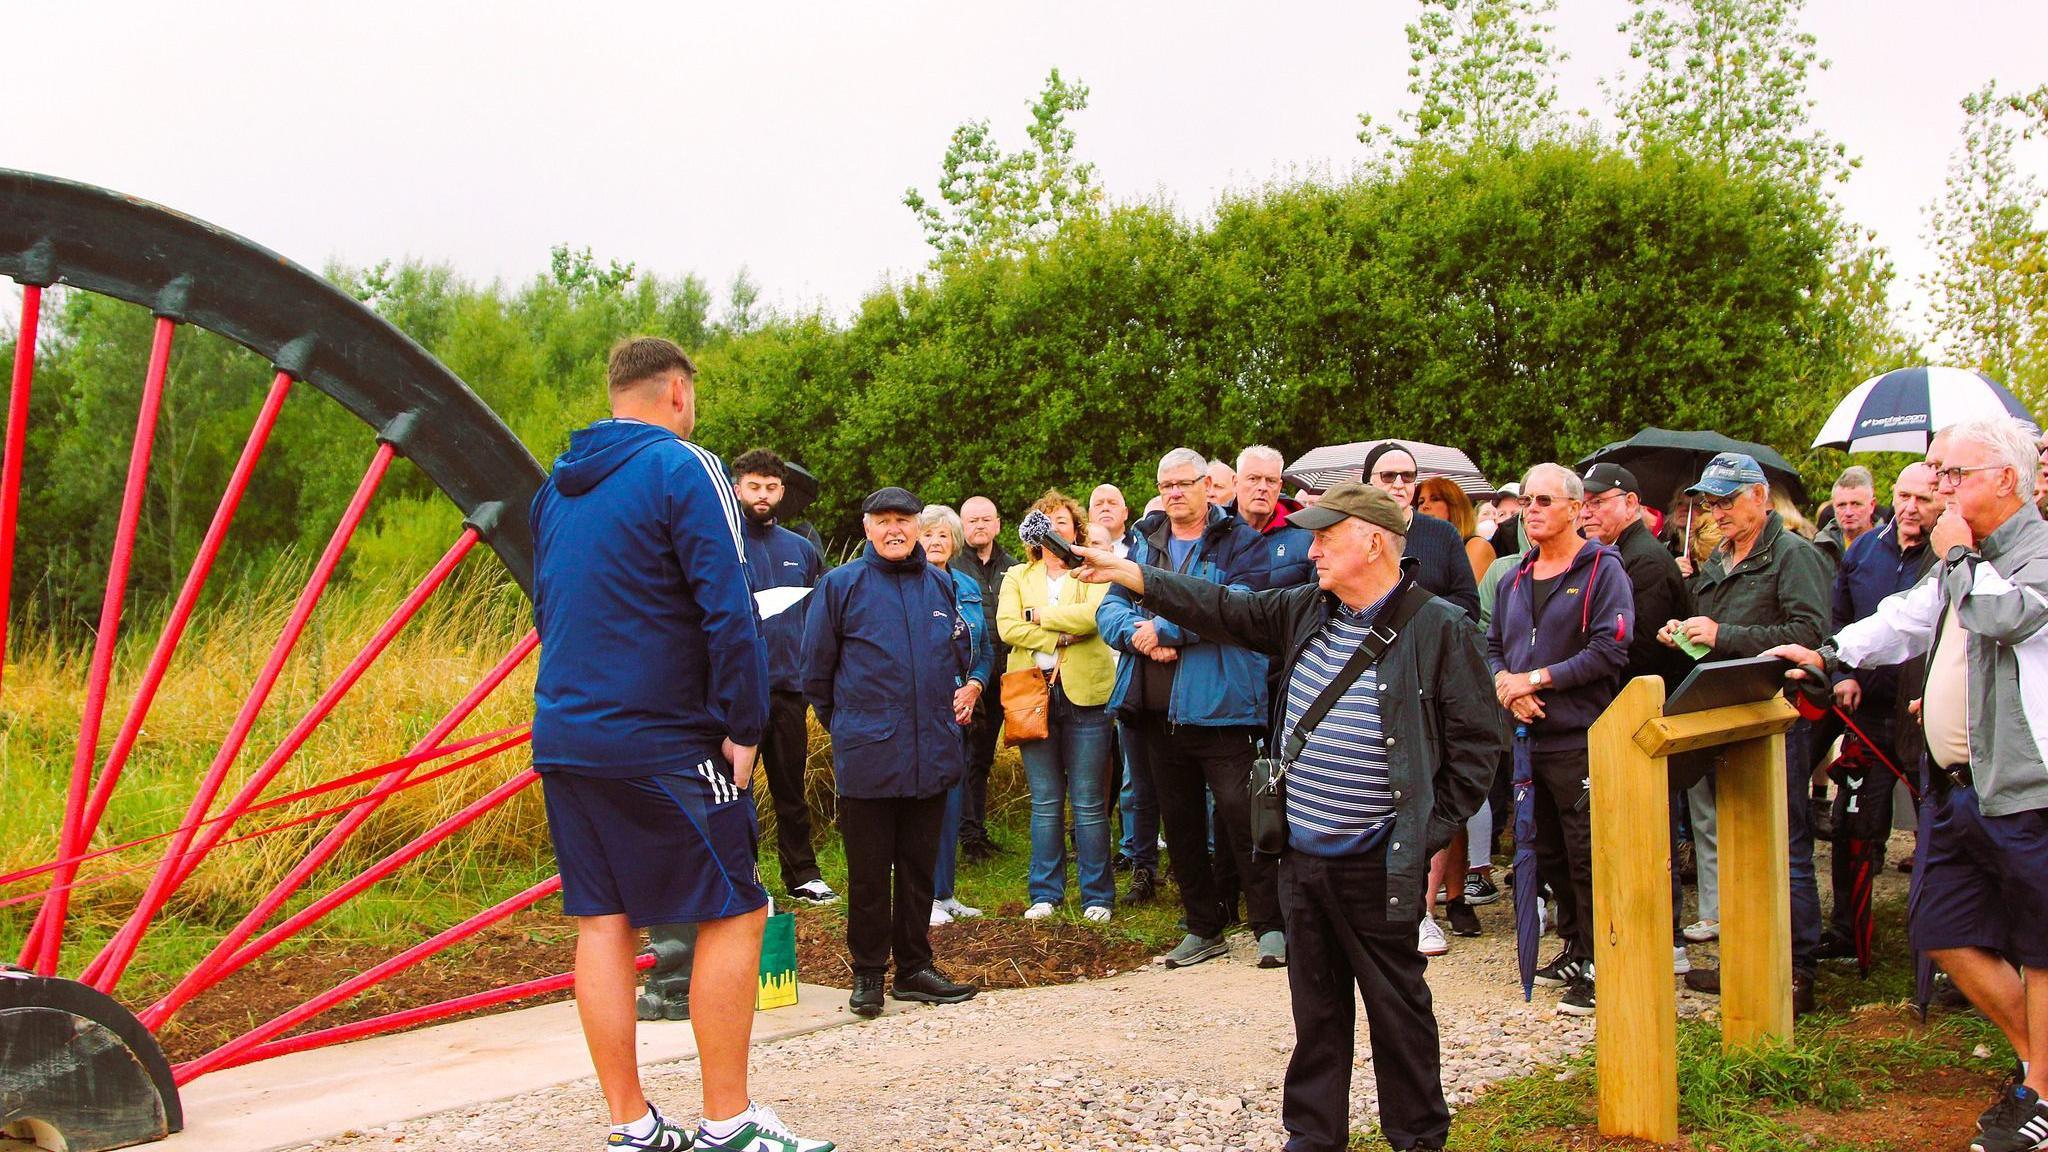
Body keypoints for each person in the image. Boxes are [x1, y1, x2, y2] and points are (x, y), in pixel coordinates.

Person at [1070, 482, 1503, 1152]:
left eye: (1329, 535)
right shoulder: (1307, 608)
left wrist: (1420, 831)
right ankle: (1312, 1138)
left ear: (1375, 541)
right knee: (1317, 1014)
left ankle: (1417, 1139)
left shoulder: (1440, 628)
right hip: (1301, 856)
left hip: (1378, 861)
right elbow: (1220, 607)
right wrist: (1129, 572)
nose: (1314, 546)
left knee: (1398, 1013)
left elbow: (1478, 747)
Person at [529, 337, 829, 1152]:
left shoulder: (554, 490)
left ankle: (631, 1125)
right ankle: (728, 1123)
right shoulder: (686, 467)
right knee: (737, 909)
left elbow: (547, 613)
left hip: (565, 733)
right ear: (675, 391)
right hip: (662, 738)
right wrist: (743, 724)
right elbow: (729, 606)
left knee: (603, 923)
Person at [1767, 416, 2048, 1152]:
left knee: (2041, 946)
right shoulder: (1966, 559)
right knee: (1942, 928)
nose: (1940, 491)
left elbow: (2000, 617)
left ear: (2006, 482)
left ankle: (2042, 1094)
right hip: (1956, 788)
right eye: (1937, 475)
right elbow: (1908, 618)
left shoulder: (2032, 554)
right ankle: (2040, 1065)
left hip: (2027, 789)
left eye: (1953, 475)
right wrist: (1830, 651)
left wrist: (1955, 558)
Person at [1098, 447, 1284, 969]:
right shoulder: (1144, 542)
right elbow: (1110, 606)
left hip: (1222, 708)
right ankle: (1203, 927)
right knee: (1178, 826)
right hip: (1155, 710)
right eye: (1166, 485)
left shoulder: (1240, 542)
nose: (1175, 493)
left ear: (1207, 486)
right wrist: (1139, 638)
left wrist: (1167, 627)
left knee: (1244, 821)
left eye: (1185, 483)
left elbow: (1238, 603)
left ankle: (1271, 924)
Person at [1659, 452, 1829, 1014]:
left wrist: (1721, 632)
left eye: (1727, 500)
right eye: (1709, 501)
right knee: (1732, 840)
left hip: (1777, 714)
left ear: (1760, 495)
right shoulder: (1717, 560)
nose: (1716, 511)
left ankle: (1797, 968)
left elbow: (1807, 632)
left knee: (1785, 842)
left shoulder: (1793, 555)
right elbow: (1713, 637)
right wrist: (1683, 632)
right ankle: (1745, 960)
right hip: (1727, 715)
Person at [802, 487, 979, 1019]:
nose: (895, 530)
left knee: (920, 870)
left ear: (918, 526)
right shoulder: (839, 586)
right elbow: (816, 676)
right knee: (870, 873)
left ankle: (914, 969)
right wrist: (855, 727)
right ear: (867, 528)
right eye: (884, 521)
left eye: (904, 520)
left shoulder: (940, 585)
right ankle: (869, 974)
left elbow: (958, 653)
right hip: (870, 756)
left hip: (932, 753)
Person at [1487, 464, 1635, 1017]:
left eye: (1544, 500)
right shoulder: (1514, 577)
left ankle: (1604, 957)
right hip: (1527, 737)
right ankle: (1575, 945)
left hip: (1581, 736)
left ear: (1577, 507)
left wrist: (1539, 678)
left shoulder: (1602, 571)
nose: (1532, 510)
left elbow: (1609, 650)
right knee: (1545, 850)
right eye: (1526, 501)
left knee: (1586, 852)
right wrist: (1507, 686)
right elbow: (1494, 643)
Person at [1816, 462, 1941, 963]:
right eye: (1904, 496)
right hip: (1865, 710)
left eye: (1924, 499)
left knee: (1936, 829)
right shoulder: (1864, 549)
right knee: (1854, 824)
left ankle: (1936, 945)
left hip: (1924, 718)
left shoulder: (1951, 557)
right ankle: (1847, 930)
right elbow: (1839, 615)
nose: (1911, 508)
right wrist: (1840, 671)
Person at [1578, 461, 1697, 967]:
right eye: (1586, 502)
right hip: (1624, 710)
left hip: (1644, 709)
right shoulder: (1616, 555)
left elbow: (1638, 650)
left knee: (1650, 826)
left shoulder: (1642, 561)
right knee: (1629, 826)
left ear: (1631, 504)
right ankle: (1635, 928)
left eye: (1600, 501)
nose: (1590, 511)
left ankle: (1663, 936)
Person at [997, 490, 1119, 922]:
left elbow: (1092, 619)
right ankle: (1045, 893)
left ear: (1076, 530)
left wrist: (1039, 616)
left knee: (1088, 801)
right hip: (1032, 696)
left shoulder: (1094, 573)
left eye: (1062, 523)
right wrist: (1058, 632)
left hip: (1087, 695)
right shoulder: (1016, 576)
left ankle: (1097, 897)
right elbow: (1008, 627)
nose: (1054, 530)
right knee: (1046, 801)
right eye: (1045, 522)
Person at [730, 448, 836, 907]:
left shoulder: (802, 549)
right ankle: (742, 873)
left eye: (771, 487)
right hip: (736, 694)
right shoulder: (722, 542)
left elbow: (821, 621)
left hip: (791, 691)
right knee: (735, 789)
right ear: (738, 488)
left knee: (791, 789)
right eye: (754, 486)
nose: (763, 495)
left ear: (782, 492)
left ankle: (802, 874)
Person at [917, 504, 995, 926]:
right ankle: (921, 895)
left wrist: (975, 686)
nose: (935, 542)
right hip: (920, 708)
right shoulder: (907, 584)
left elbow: (984, 650)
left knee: (951, 799)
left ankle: (944, 893)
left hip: (960, 710)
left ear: (955, 542)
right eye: (927, 534)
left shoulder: (966, 585)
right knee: (921, 801)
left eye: (943, 536)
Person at [954, 495, 1017, 862]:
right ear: (963, 526)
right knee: (963, 758)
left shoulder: (1014, 566)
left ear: (997, 525)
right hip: (967, 679)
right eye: (972, 520)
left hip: (1005, 677)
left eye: (985, 519)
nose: (979, 525)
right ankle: (967, 835)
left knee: (982, 759)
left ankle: (976, 830)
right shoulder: (953, 568)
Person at [1360, 442, 1480, 619]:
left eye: (1407, 476)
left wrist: (1413, 606)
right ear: (1369, 483)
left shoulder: (1444, 533)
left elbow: (1470, 605)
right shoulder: (1351, 531)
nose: (1399, 484)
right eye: (1389, 476)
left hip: (1427, 642)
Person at [1231, 444, 1315, 590]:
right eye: (1253, 479)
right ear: (1235, 483)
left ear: (1280, 486)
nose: (1263, 487)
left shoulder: (1305, 537)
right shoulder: (1213, 529)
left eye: (1271, 481)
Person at [1416, 476, 1497, 589]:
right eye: (1421, 501)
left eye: (1435, 499)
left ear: (1454, 506)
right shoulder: (1421, 550)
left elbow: (1467, 601)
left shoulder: (1476, 546)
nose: (1424, 506)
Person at [1815, 465, 1880, 572]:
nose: (1848, 512)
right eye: (1841, 505)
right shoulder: (1821, 547)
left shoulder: (1890, 545)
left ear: (1872, 505)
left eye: (1856, 504)